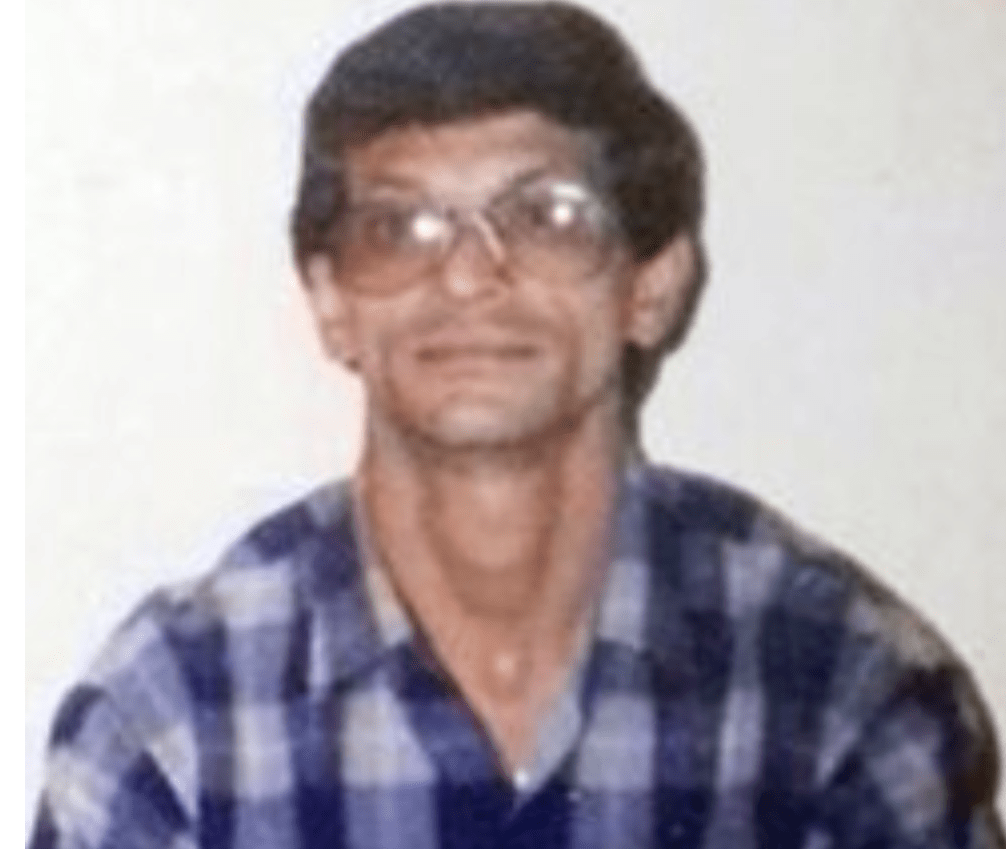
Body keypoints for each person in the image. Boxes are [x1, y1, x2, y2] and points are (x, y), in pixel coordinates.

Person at [30, 3, 1004, 847]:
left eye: (546, 217)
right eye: (399, 228)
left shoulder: (836, 685)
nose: (467, 275)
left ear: (651, 285)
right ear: (330, 301)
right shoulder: (175, 713)